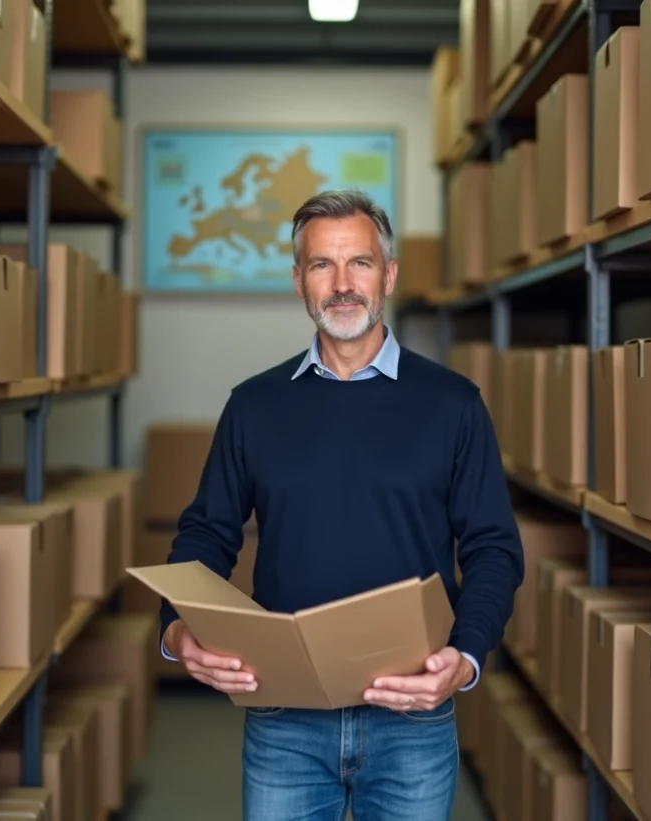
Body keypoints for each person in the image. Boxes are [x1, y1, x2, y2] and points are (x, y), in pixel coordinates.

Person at [158, 189, 524, 820]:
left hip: (411, 715)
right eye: (322, 265)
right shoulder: (254, 406)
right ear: (298, 280)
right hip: (285, 719)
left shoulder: (453, 404)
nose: (343, 284)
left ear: (389, 275)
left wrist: (465, 657)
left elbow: (493, 547)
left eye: (360, 262)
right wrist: (176, 627)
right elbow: (205, 535)